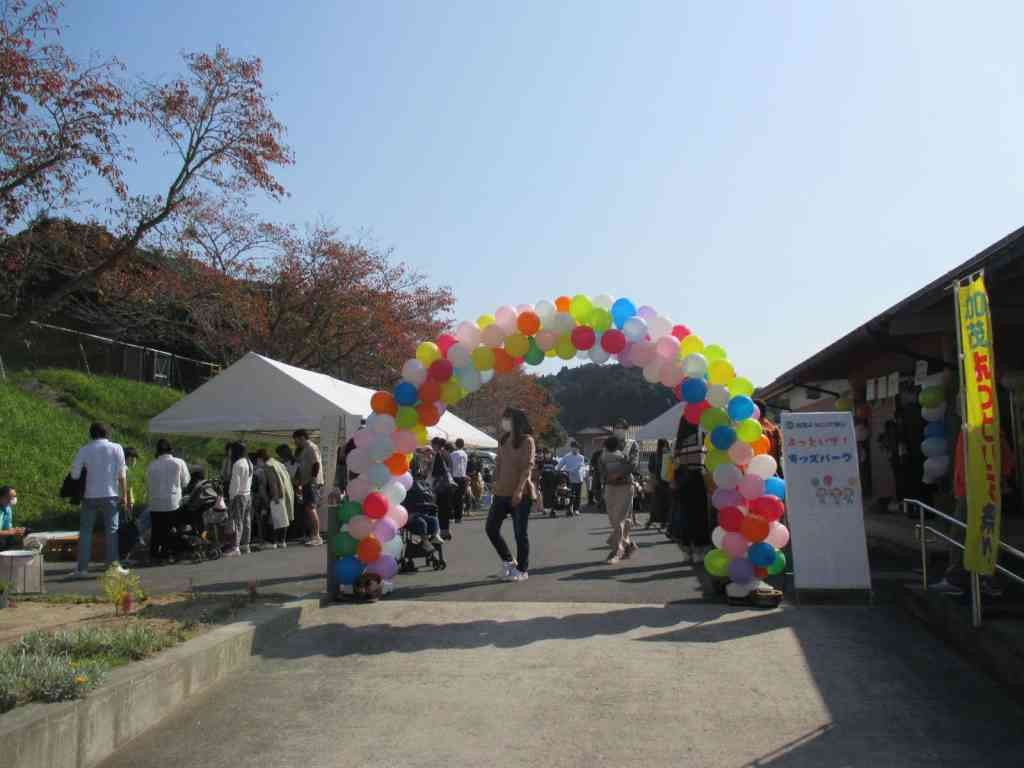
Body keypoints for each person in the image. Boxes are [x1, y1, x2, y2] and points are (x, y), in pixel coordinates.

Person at [69, 422, 128, 577]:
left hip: (89, 495)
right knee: (112, 530)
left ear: (91, 434)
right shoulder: (117, 448)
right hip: (111, 494)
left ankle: (82, 569)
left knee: (86, 531)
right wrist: (125, 495)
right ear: (107, 433)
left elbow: (74, 474)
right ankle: (113, 566)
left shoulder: (84, 449)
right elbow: (122, 474)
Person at [486, 407, 536, 582]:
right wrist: (494, 482)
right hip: (502, 493)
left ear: (516, 420)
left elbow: (527, 467)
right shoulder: (503, 439)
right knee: (491, 528)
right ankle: (508, 561)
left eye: (506, 418)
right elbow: (498, 464)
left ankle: (522, 569)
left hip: (520, 494)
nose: (503, 422)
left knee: (520, 533)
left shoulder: (527, 441)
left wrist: (520, 490)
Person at [146, 439, 191, 564]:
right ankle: (171, 553)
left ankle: (154, 555)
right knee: (172, 529)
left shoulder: (152, 465)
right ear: (171, 449)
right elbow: (186, 481)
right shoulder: (178, 463)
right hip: (173, 502)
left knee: (157, 530)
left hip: (155, 503)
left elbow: (149, 484)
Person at [602, 433, 639, 563]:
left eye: (621, 427)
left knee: (619, 519)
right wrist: (607, 476)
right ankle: (628, 546)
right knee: (613, 518)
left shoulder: (631, 445)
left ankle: (617, 551)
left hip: (625, 485)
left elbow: (632, 464)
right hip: (609, 486)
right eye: (616, 427)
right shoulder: (606, 449)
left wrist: (617, 474)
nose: (618, 429)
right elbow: (600, 465)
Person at [293, 429, 324, 546]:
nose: (295, 443)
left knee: (311, 508)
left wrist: (312, 480)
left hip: (312, 483)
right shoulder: (305, 449)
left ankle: (317, 536)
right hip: (306, 483)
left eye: (295, 440)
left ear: (301, 438)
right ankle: (312, 535)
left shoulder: (311, 447)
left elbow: (316, 464)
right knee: (308, 509)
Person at [262, 447, 295, 549]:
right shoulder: (279, 463)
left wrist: (275, 496)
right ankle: (282, 541)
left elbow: (272, 482)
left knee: (275, 519)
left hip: (278, 495)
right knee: (284, 519)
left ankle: (273, 542)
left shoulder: (268, 465)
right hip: (287, 493)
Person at [225, 441, 253, 557]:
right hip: (248, 494)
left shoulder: (237, 464)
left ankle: (235, 547)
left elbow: (234, 484)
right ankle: (245, 545)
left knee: (237, 521)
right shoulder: (248, 462)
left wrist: (231, 498)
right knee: (246, 521)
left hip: (239, 496)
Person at [647, 439, 673, 529]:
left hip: (667, 482)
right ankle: (652, 520)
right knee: (656, 503)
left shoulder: (670, 455)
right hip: (658, 482)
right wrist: (653, 481)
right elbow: (651, 469)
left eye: (665, 445)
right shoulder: (654, 455)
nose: (664, 447)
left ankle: (665, 521)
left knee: (667, 503)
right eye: (662, 445)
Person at [556, 441, 586, 516]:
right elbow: (560, 465)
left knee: (578, 495)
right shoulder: (567, 456)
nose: (575, 449)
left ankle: (576, 509)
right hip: (569, 479)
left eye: (576, 448)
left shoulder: (581, 457)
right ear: (571, 448)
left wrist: (568, 470)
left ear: (578, 449)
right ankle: (569, 508)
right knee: (569, 494)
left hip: (578, 478)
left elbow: (579, 467)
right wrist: (557, 470)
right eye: (573, 448)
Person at [450, 438, 469, 522]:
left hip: (455, 477)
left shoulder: (454, 453)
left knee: (453, 498)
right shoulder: (465, 454)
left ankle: (453, 516)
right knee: (460, 498)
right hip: (463, 477)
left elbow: (451, 465)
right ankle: (459, 517)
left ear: (455, 444)